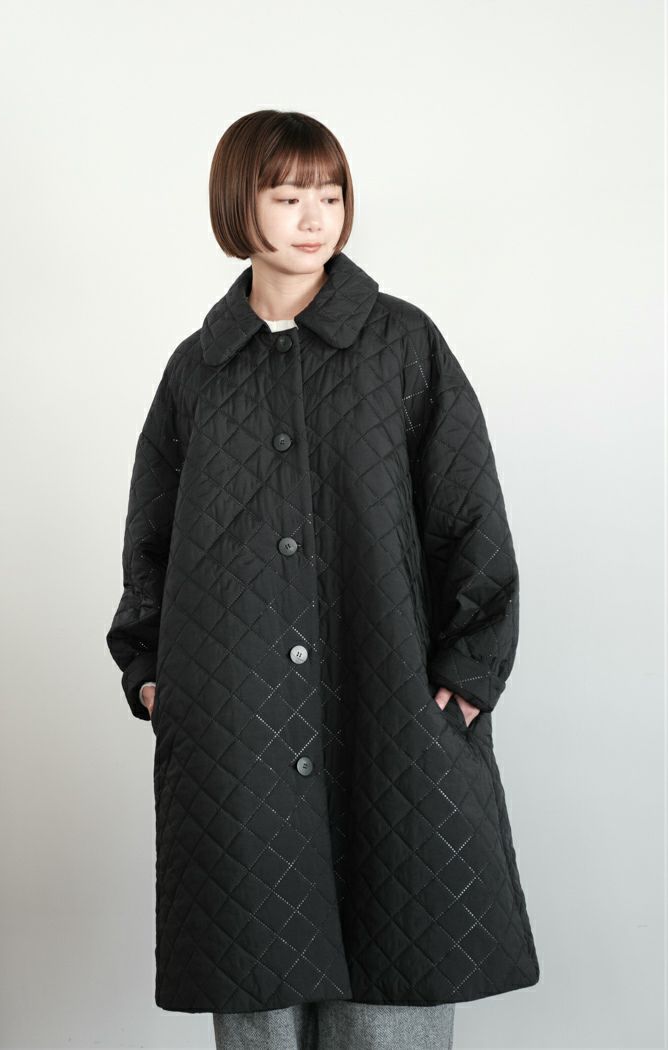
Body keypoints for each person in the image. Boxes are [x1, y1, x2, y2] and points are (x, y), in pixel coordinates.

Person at [106, 109, 540, 1050]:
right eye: (288, 195)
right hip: (234, 738)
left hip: (392, 721)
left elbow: (470, 514)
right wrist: (150, 674)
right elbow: (152, 542)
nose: (315, 218)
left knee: (396, 981)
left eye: (331, 196)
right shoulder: (197, 372)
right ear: (238, 205)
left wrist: (468, 676)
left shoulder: (404, 346)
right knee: (258, 1001)